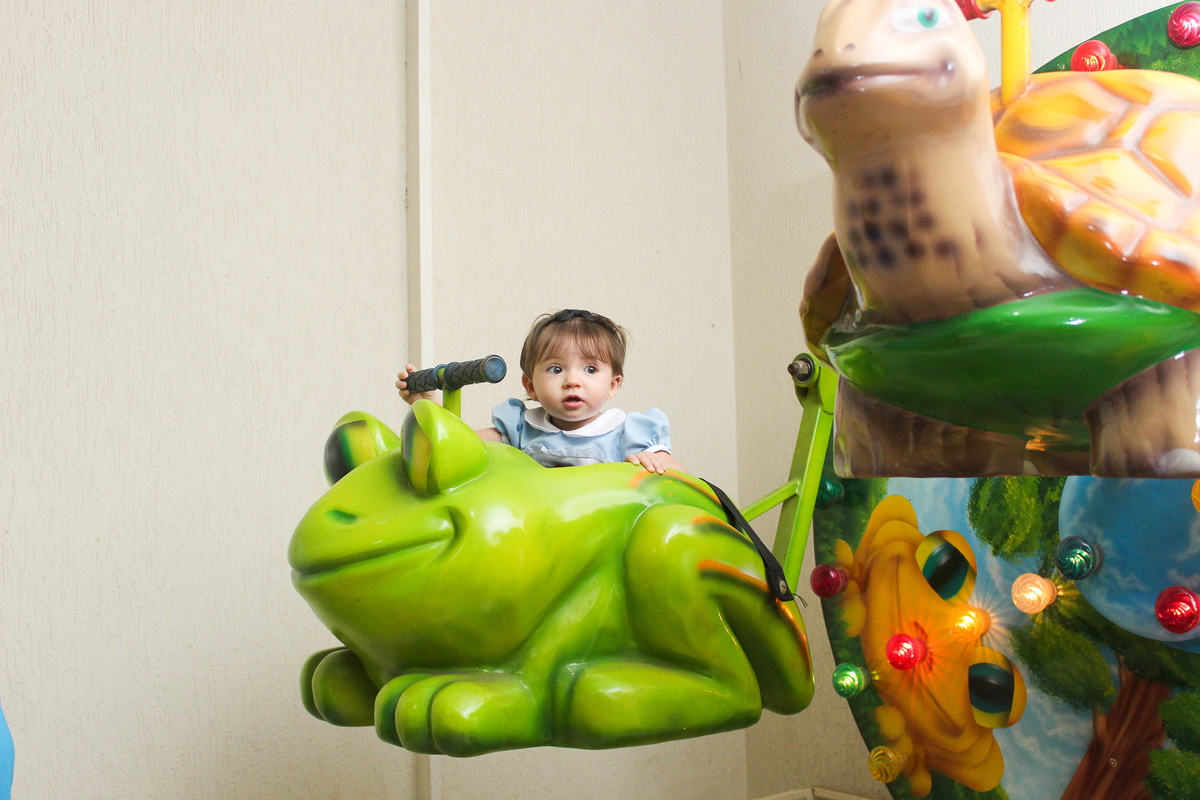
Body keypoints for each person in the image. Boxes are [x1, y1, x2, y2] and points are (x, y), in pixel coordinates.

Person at [397, 309, 686, 473]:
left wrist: (656, 465)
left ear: (613, 385)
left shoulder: (628, 433)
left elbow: (685, 482)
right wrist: (431, 407)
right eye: (556, 369)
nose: (572, 381)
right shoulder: (520, 429)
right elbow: (460, 445)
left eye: (590, 369)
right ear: (530, 387)